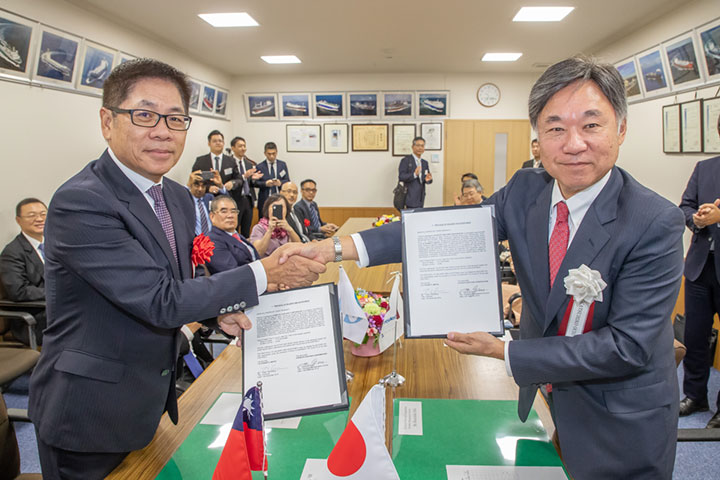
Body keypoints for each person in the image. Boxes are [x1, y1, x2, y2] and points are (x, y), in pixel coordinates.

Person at [282, 56, 684, 479]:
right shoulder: (526, 190)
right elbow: (441, 231)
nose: (573, 143)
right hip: (547, 399)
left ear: (620, 128)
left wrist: (505, 350)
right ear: (539, 137)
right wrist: (335, 249)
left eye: (591, 125)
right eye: (555, 128)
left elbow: (627, 346)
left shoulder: (653, 221)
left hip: (619, 419)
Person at [27, 58, 324, 479]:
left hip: (150, 398)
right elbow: (158, 300)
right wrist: (267, 273)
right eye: (145, 115)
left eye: (176, 119)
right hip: (89, 412)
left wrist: (215, 312)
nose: (163, 131)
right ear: (107, 121)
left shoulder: (179, 198)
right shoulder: (83, 202)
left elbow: (174, 284)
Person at [678, 140, 720, 429]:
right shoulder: (705, 168)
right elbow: (685, 207)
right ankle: (695, 395)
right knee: (694, 336)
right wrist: (696, 219)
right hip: (699, 266)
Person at [0, 198, 47, 346]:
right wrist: (56, 292)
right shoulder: (13, 252)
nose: (39, 219)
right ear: (18, 220)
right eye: (31, 215)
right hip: (34, 318)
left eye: (43, 214)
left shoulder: (54, 245)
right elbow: (18, 291)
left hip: (57, 306)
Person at [206, 195, 259, 274]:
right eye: (224, 211)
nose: (230, 215)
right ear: (212, 216)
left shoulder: (238, 236)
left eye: (233, 211)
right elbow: (232, 273)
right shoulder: (211, 240)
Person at [229, 136, 262, 238]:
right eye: (240, 146)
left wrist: (254, 179)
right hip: (235, 200)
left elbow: (251, 183)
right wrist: (244, 176)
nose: (243, 148)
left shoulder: (249, 164)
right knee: (234, 229)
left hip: (248, 200)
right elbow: (230, 182)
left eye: (244, 146)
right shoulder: (229, 163)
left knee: (246, 229)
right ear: (233, 148)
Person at [191, 130, 238, 195]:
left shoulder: (231, 161)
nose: (218, 143)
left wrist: (232, 183)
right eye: (214, 141)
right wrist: (207, 188)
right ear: (209, 143)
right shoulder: (200, 161)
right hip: (206, 197)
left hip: (226, 197)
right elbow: (194, 180)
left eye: (220, 141)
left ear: (223, 143)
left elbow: (239, 179)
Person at [255, 141, 289, 218]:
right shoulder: (260, 166)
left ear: (277, 152)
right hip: (265, 200)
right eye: (269, 154)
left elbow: (287, 180)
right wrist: (265, 184)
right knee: (264, 223)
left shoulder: (282, 165)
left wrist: (280, 183)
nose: (271, 156)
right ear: (265, 153)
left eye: (273, 153)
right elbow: (255, 183)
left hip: (279, 199)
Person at [398, 136, 433, 208]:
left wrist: (428, 180)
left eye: (422, 146)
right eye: (418, 145)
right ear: (413, 147)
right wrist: (414, 174)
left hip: (421, 197)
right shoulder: (406, 160)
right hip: (409, 197)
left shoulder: (424, 163)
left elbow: (427, 178)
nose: (420, 148)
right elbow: (401, 176)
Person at [186, 170, 222, 235]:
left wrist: (220, 185)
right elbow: (179, 194)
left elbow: (226, 202)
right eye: (197, 185)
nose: (200, 189)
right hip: (195, 239)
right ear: (191, 186)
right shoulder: (187, 199)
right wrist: (188, 183)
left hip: (211, 238)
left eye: (203, 186)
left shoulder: (209, 198)